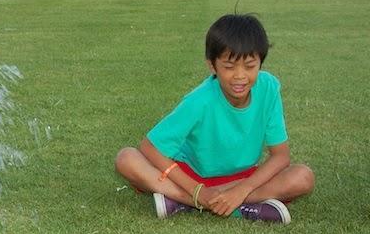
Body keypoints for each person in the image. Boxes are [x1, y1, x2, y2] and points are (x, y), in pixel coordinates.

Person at [115, 14, 315, 223]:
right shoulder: (199, 100)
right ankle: (221, 204)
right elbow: (149, 147)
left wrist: (242, 189)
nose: (240, 76)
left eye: (249, 66)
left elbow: (281, 156)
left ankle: (185, 202)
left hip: (240, 178)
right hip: (190, 176)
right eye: (229, 67)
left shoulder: (269, 88)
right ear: (213, 66)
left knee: (303, 177)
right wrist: (198, 192)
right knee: (126, 158)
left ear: (260, 63)